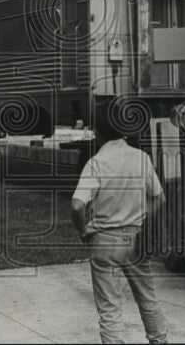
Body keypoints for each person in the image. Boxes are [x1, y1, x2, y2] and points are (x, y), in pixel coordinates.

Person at [71, 102, 168, 344]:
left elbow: (76, 205)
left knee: (110, 308)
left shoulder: (97, 162)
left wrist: (84, 230)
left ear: (96, 131)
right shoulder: (141, 158)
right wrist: (144, 226)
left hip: (106, 241)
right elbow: (159, 198)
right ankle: (159, 340)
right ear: (124, 128)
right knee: (147, 299)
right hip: (135, 238)